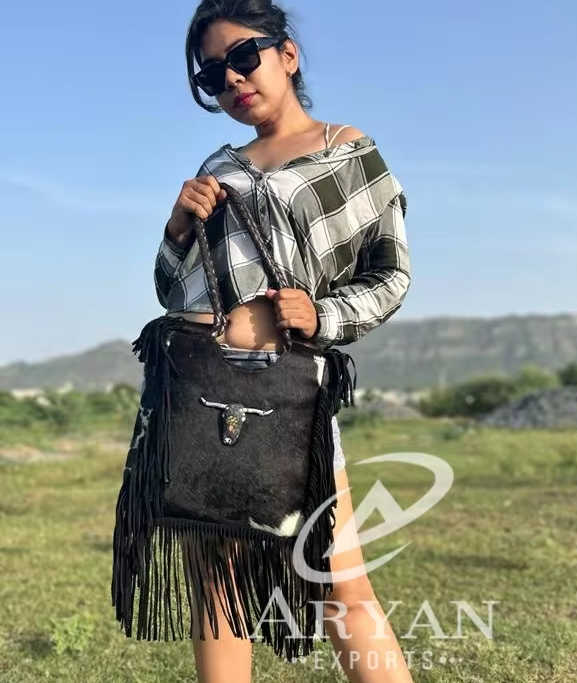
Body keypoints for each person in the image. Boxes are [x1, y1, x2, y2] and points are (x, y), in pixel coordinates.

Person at [153, 2, 413, 681]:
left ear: (287, 54)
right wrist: (178, 226)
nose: (233, 79)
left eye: (244, 57)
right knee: (218, 586)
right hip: (205, 388)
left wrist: (322, 315)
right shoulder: (218, 166)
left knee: (339, 583)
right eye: (213, 75)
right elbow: (172, 290)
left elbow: (391, 275)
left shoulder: (346, 152)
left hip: (290, 390)